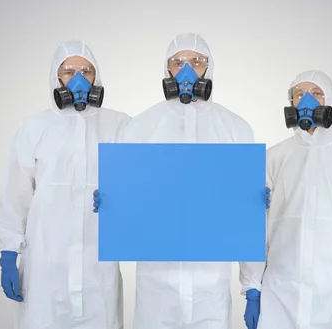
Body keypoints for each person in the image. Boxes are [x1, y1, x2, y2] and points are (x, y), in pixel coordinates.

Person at [94, 33, 262, 329]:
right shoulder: (141, 127)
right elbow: (130, 196)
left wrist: (252, 284)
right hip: (157, 284)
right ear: (167, 69)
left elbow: (247, 215)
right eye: (178, 62)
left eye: (196, 61)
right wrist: (113, 201)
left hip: (211, 284)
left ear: (209, 68)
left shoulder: (235, 128)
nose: (187, 70)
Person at [0, 40, 130, 329]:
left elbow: (142, 182)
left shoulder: (120, 125)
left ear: (96, 75)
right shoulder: (35, 128)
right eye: (69, 71)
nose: (78, 78)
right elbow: (16, 193)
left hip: (98, 263)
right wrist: (9, 251)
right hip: (46, 260)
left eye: (86, 70)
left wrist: (121, 197)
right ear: (56, 77)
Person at [246, 70, 332, 329]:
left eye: (316, 93)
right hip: (279, 294)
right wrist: (252, 288)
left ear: (330, 101)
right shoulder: (272, 158)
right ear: (291, 105)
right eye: (299, 94)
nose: (306, 101)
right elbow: (255, 230)